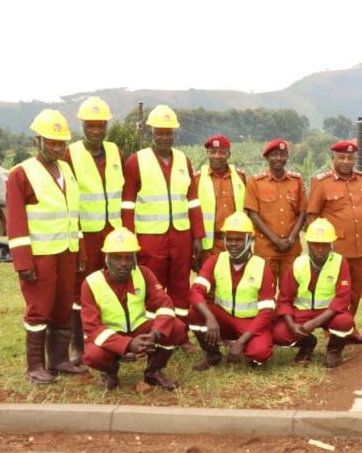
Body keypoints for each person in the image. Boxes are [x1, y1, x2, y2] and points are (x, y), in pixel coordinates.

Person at [7, 109, 88, 383]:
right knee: (39, 309)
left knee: (63, 306)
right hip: (39, 257)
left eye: (61, 142)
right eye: (51, 142)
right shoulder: (21, 174)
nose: (57, 147)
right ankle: (35, 366)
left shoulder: (67, 169)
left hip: (67, 252)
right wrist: (23, 262)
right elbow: (15, 223)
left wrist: (80, 252)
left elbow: (74, 215)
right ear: (37, 142)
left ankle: (60, 360)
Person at [121, 105, 204, 322]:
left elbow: (193, 201)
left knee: (180, 284)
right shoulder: (135, 161)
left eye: (169, 132)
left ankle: (180, 334)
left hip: (181, 236)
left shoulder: (183, 160)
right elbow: (127, 205)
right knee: (152, 285)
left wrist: (198, 236)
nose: (165, 137)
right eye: (160, 132)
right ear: (152, 133)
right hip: (150, 237)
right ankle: (152, 332)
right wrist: (130, 241)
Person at [80, 227, 188, 390]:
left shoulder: (143, 273)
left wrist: (155, 333)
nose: (124, 263)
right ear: (107, 258)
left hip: (139, 329)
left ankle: (154, 372)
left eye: (128, 258)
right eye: (117, 258)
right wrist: (128, 344)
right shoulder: (91, 283)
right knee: (93, 355)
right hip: (111, 334)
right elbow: (92, 328)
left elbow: (165, 304)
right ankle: (109, 372)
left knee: (176, 327)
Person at [65, 96, 124, 366]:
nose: (97, 131)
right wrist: (75, 235)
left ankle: (114, 337)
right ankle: (78, 344)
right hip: (85, 233)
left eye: (101, 125)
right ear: (82, 126)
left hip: (112, 232)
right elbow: (67, 199)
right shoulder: (71, 153)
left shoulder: (115, 151)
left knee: (112, 284)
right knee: (82, 289)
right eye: (91, 125)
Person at [189, 212, 275, 368]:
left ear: (249, 240)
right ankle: (213, 355)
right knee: (195, 313)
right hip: (224, 318)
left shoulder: (262, 266)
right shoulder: (216, 260)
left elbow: (266, 312)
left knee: (260, 355)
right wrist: (209, 317)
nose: (233, 244)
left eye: (239, 239)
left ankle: (243, 344)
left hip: (250, 322)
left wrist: (242, 342)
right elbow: (195, 291)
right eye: (229, 239)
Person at [273, 218, 358, 367]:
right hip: (303, 312)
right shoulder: (298, 264)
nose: (319, 249)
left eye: (324, 245)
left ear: (331, 245)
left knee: (345, 321)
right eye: (315, 244)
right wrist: (292, 325)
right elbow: (284, 298)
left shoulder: (340, 262)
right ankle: (307, 344)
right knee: (278, 334)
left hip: (329, 313)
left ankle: (334, 349)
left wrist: (315, 322)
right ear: (308, 244)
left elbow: (342, 299)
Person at [307, 140, 362, 321]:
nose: (346, 161)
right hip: (335, 250)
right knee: (335, 290)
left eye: (350, 158)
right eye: (341, 157)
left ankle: (348, 326)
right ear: (332, 158)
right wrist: (316, 247)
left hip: (359, 249)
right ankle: (333, 330)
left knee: (356, 290)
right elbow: (312, 216)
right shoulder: (321, 182)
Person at [245, 138, 306, 288]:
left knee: (290, 289)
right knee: (265, 289)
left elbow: (303, 212)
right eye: (274, 155)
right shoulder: (255, 182)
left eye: (282, 154)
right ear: (267, 157)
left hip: (291, 248)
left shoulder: (296, 181)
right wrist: (276, 240)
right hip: (266, 247)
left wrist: (291, 238)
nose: (278, 158)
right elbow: (253, 214)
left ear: (287, 157)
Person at [194, 135, 246, 260]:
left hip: (236, 241)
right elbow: (192, 212)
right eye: (212, 152)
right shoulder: (197, 179)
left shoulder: (240, 177)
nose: (216, 156)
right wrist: (196, 240)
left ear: (228, 155)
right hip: (209, 244)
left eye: (222, 152)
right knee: (208, 277)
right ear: (207, 154)